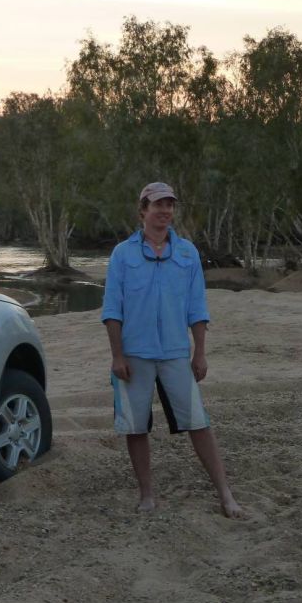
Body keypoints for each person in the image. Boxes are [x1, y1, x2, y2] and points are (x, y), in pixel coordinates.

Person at [101, 182, 243, 518]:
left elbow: (197, 308)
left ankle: (225, 495)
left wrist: (200, 352)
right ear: (143, 211)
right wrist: (117, 355)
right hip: (134, 355)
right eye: (157, 204)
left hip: (176, 353)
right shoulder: (123, 254)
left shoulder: (187, 253)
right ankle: (147, 494)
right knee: (136, 427)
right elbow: (112, 310)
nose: (164, 210)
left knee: (198, 422)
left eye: (169, 204)